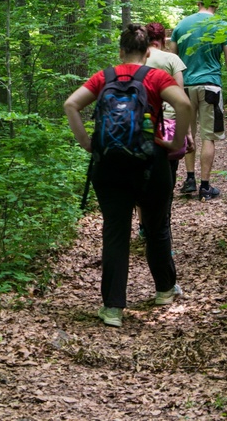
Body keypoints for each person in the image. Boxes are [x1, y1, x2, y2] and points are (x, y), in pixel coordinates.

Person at [64, 24, 192, 328]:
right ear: (148, 51)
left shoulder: (104, 77)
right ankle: (164, 290)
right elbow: (184, 104)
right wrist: (177, 143)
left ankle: (112, 309)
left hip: (108, 166)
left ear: (121, 51)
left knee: (116, 232)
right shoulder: (156, 76)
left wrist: (87, 143)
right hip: (151, 164)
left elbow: (71, 104)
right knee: (156, 226)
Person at [170, 0, 227, 201]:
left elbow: (172, 59)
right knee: (208, 136)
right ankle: (205, 186)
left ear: (198, 2)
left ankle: (189, 179)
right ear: (216, 3)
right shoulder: (221, 25)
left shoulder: (181, 25)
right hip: (211, 86)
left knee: (188, 133)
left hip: (185, 87)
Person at [138, 22, 192, 238]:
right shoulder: (172, 60)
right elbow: (181, 98)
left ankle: (143, 226)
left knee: (142, 177)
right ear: (163, 39)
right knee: (166, 180)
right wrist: (187, 133)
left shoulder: (137, 59)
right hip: (168, 124)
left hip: (142, 123)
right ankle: (162, 226)